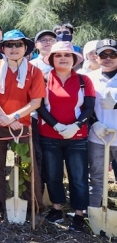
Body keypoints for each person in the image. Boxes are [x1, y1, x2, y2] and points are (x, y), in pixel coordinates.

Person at [0, 30, 46, 222]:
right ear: (2, 48)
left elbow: (36, 102)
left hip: (22, 124)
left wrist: (14, 117)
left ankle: (32, 204)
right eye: (9, 45)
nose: (14, 48)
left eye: (18, 44)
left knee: (27, 164)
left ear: (25, 48)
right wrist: (5, 117)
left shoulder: (34, 71)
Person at [35, 41, 93, 232]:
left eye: (67, 55)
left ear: (74, 59)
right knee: (53, 175)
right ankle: (56, 208)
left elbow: (89, 108)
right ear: (51, 59)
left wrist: (76, 125)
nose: (63, 58)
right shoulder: (43, 79)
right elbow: (40, 106)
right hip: (50, 135)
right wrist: (56, 125)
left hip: (77, 137)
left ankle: (79, 213)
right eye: (58, 55)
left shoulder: (84, 80)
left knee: (78, 176)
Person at [86, 39, 117, 214]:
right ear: (96, 57)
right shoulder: (89, 78)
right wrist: (94, 123)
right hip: (97, 137)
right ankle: (94, 212)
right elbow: (84, 106)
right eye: (103, 54)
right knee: (97, 176)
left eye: (113, 54)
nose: (108, 58)